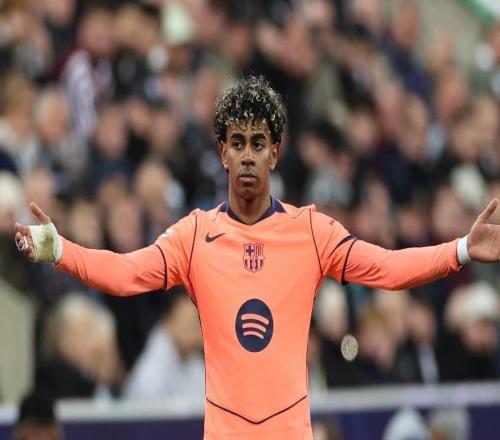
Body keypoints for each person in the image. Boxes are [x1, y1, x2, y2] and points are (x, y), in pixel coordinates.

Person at [14, 75, 500, 439]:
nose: (248, 155)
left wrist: (460, 249)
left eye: (259, 143)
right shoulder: (194, 235)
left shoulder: (312, 232)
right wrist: (61, 250)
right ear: (223, 153)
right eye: (238, 143)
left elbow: (387, 269)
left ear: (275, 153)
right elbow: (125, 273)